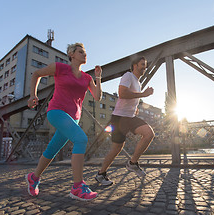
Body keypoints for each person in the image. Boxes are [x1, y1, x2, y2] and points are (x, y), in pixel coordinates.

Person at [26, 42, 102, 201]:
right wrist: (33, 95)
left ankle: (34, 177)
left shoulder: (87, 78)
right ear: (71, 54)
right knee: (81, 139)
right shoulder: (60, 68)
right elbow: (36, 74)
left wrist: (98, 78)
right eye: (81, 51)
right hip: (56, 111)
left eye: (85, 52)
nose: (84, 54)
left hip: (73, 118)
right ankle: (77, 187)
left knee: (52, 149)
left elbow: (97, 97)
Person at [95, 56, 154, 186]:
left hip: (130, 117)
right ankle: (101, 174)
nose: (145, 67)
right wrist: (143, 95)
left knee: (149, 133)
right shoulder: (128, 76)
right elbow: (122, 94)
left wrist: (135, 108)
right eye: (142, 64)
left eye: (146, 65)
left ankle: (133, 163)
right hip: (119, 118)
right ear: (135, 65)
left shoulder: (138, 83)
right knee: (116, 148)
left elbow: (130, 98)